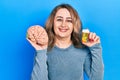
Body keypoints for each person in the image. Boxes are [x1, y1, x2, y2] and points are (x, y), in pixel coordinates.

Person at [27, 3, 104, 80]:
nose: (63, 24)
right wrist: (41, 51)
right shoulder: (44, 49)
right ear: (52, 23)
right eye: (59, 19)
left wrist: (96, 48)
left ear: (74, 24)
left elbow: (97, 78)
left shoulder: (82, 48)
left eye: (69, 20)